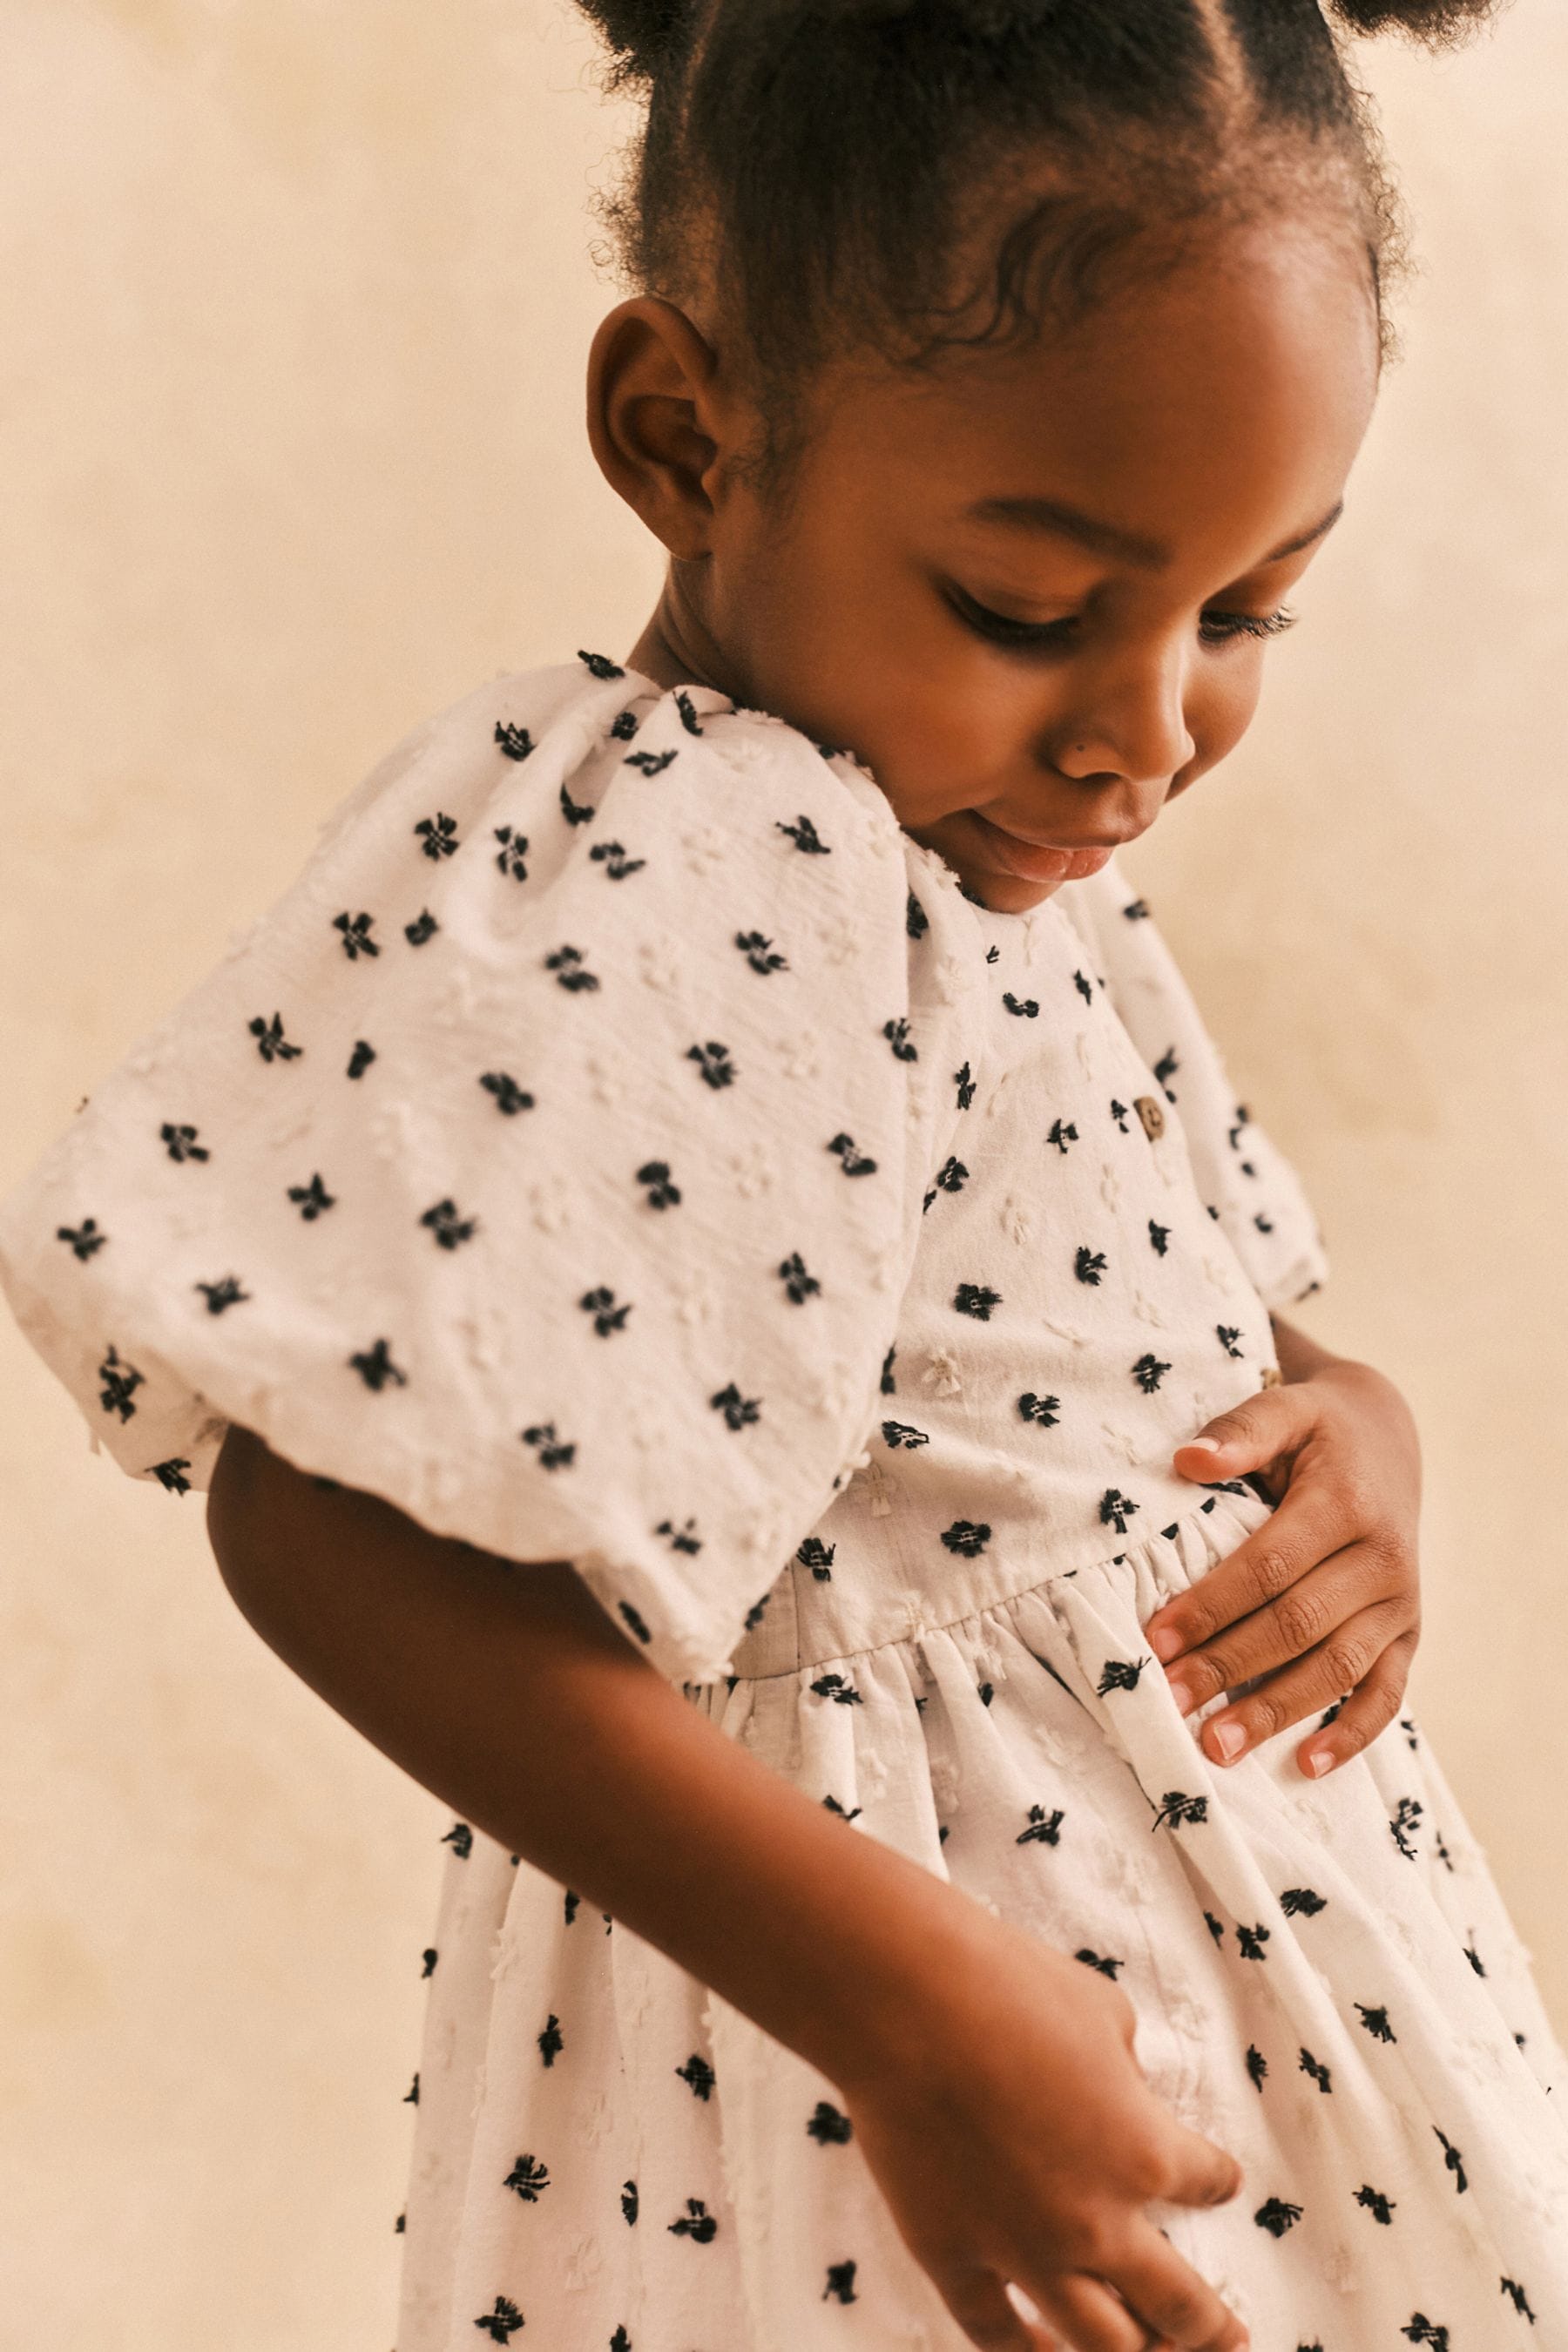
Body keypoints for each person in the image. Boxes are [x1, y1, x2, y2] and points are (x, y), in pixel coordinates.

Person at [2, 0, 1563, 2345]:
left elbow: (1087, 1329)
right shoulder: (690, 857)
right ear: (684, 432)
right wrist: (916, 2013)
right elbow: (322, 1518)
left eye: (1245, 613)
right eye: (1035, 610)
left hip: (1174, 2039)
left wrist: (1355, 1425)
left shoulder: (989, 858)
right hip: (910, 2094)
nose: (1148, 732)